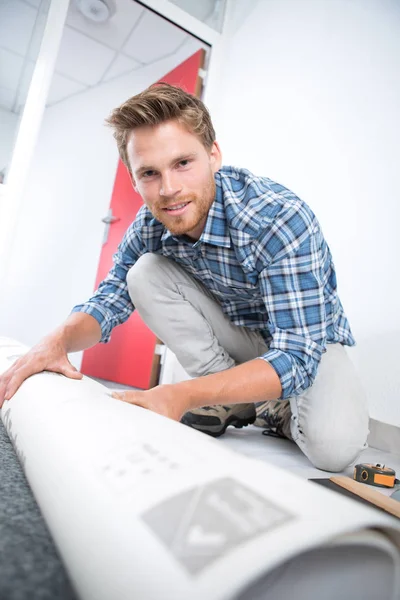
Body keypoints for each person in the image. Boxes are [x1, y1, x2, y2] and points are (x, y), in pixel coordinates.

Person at [0, 83, 369, 472]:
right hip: (241, 335)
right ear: (134, 179)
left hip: (307, 342)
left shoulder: (276, 219)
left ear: (213, 156)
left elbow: (297, 355)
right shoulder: (148, 227)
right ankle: (240, 400)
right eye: (150, 173)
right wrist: (55, 342)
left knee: (333, 448)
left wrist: (182, 394)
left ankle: (275, 409)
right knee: (142, 274)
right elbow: (109, 300)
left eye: (182, 163)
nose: (169, 189)